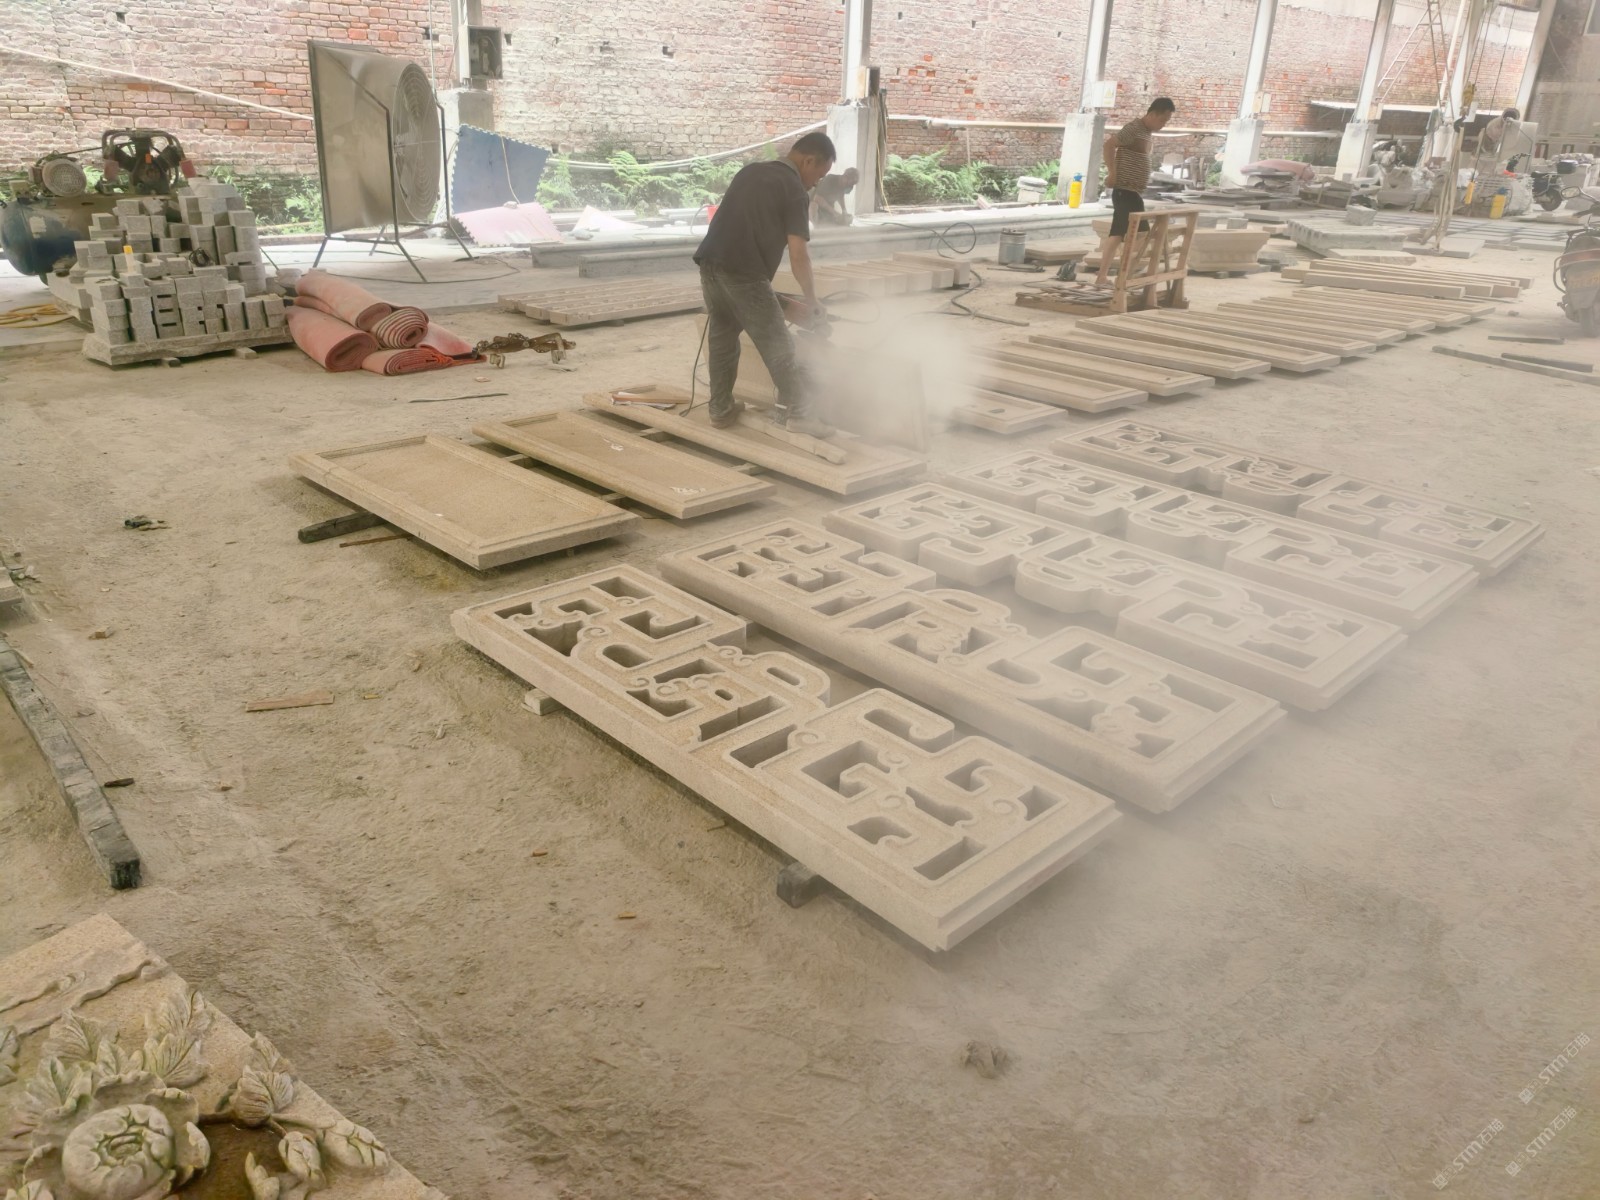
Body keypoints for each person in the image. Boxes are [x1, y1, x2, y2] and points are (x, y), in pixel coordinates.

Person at [693, 132, 836, 437]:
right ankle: (801, 415)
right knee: (780, 347)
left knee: (722, 339)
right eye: (819, 175)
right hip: (744, 275)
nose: (816, 184)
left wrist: (777, 301)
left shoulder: (750, 172)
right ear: (809, 161)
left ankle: (720, 409)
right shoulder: (794, 190)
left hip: (710, 265)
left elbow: (737, 232)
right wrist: (812, 300)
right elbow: (798, 255)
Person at [1093, 97, 1176, 287]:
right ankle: (1112, 275)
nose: (1163, 125)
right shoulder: (1134, 128)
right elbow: (1109, 145)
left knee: (1132, 233)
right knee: (1124, 234)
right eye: (1162, 120)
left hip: (1133, 192)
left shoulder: (1146, 133)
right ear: (1153, 114)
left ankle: (1118, 273)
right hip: (1124, 190)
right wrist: (1112, 173)